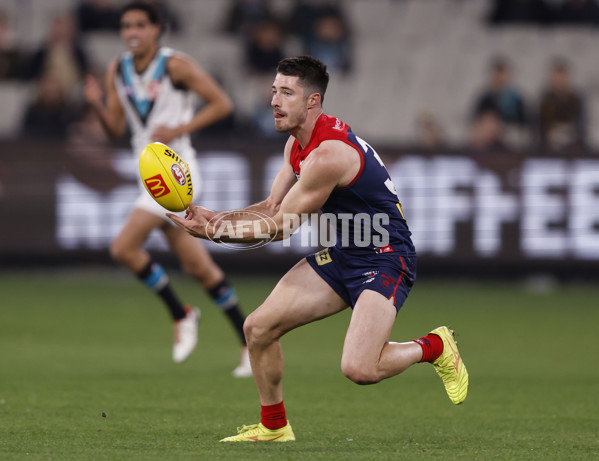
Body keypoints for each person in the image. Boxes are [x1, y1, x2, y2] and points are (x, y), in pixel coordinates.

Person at [168, 56, 469, 442]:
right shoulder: (297, 144)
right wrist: (215, 217)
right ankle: (274, 427)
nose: (274, 100)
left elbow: (279, 229)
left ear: (313, 102)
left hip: (384, 256)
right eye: (274, 90)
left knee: (360, 369)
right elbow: (272, 207)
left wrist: (211, 233)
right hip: (344, 252)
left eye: (286, 93)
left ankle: (434, 346)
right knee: (257, 328)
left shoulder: (327, 155)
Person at [83, 1, 252, 376]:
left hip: (178, 172)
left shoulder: (176, 64)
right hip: (150, 176)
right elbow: (114, 129)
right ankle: (249, 344)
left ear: (157, 29)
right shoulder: (118, 69)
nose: (132, 32)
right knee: (199, 267)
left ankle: (182, 313)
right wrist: (97, 104)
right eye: (127, 25)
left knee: (123, 247)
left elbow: (222, 104)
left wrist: (179, 130)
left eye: (140, 25)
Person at [537, 58, 586, 152]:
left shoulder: (576, 99)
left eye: (561, 79)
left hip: (572, 144)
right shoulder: (546, 99)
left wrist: (567, 133)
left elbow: (581, 126)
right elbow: (541, 124)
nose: (558, 82)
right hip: (549, 146)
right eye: (556, 80)